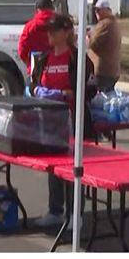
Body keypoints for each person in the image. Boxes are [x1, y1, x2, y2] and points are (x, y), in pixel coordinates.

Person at [28, 14, 98, 228]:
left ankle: (75, 213)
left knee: (73, 169)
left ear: (67, 32)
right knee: (54, 168)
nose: (49, 35)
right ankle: (55, 210)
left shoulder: (78, 59)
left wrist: (66, 93)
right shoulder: (43, 58)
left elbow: (91, 89)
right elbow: (32, 84)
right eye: (48, 31)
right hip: (49, 122)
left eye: (54, 31)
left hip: (73, 120)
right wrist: (36, 90)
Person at [88, 0, 122, 92]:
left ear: (107, 10)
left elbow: (93, 43)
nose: (96, 12)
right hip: (111, 71)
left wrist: (87, 38)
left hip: (103, 71)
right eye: (95, 10)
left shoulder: (105, 24)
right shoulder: (112, 22)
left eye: (99, 10)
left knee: (99, 100)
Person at [19, 0, 56, 76]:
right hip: (57, 67)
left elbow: (22, 50)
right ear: (51, 7)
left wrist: (29, 63)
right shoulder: (60, 23)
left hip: (36, 67)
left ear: (37, 9)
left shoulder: (30, 26)